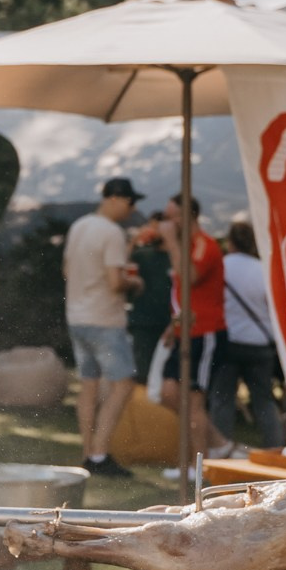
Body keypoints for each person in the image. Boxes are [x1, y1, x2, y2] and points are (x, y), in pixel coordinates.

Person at [63, 177, 143, 477]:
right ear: (116, 198)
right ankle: (99, 455)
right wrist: (135, 282)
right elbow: (115, 281)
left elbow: (67, 271)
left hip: (77, 316)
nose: (132, 209)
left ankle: (87, 453)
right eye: (131, 202)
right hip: (104, 319)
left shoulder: (79, 226)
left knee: (89, 384)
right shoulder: (112, 232)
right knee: (123, 383)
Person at [156, 192, 228, 469]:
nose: (167, 223)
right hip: (184, 330)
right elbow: (182, 295)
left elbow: (191, 278)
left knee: (193, 400)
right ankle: (219, 444)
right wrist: (171, 326)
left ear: (188, 216)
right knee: (169, 393)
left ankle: (199, 467)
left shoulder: (205, 245)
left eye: (172, 217)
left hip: (205, 331)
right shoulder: (186, 247)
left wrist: (172, 242)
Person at [210, 220, 285, 450]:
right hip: (259, 343)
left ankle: (221, 448)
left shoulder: (221, 267)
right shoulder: (263, 269)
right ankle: (276, 448)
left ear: (230, 242)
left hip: (228, 342)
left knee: (222, 399)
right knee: (264, 399)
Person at [126, 212, 173, 392]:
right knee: (143, 374)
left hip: (168, 324)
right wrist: (134, 240)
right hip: (143, 323)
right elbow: (122, 264)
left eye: (157, 227)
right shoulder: (141, 255)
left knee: (167, 375)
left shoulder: (176, 257)